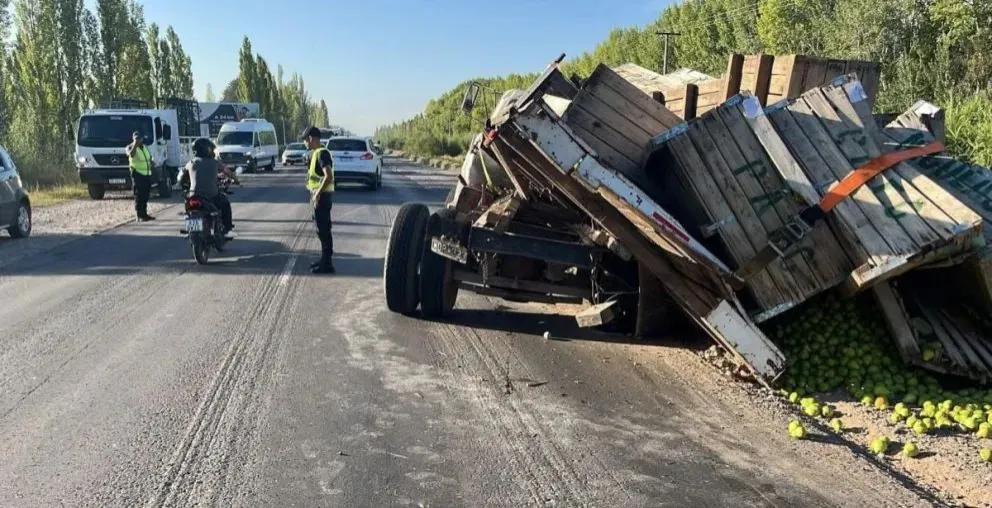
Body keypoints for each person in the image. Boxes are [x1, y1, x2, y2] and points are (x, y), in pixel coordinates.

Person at [181, 137, 239, 234]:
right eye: (211, 149)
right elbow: (228, 172)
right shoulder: (215, 162)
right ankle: (228, 230)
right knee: (225, 203)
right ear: (207, 149)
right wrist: (236, 179)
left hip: (193, 195)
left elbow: (181, 178)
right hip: (211, 195)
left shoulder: (191, 163)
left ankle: (190, 227)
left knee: (187, 205)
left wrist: (185, 186)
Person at [304, 126, 335, 274]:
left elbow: (328, 176)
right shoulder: (317, 153)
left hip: (322, 197)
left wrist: (317, 194)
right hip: (320, 196)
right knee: (321, 230)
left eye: (305, 140)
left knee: (323, 230)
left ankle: (327, 263)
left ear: (310, 138)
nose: (305, 143)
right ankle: (324, 260)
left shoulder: (322, 153)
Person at [126, 131, 155, 221]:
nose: (138, 140)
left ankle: (144, 213)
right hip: (137, 174)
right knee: (139, 195)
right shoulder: (130, 147)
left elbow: (149, 157)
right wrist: (135, 144)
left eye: (139, 138)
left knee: (146, 194)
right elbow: (131, 154)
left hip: (146, 174)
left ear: (142, 138)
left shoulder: (145, 147)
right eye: (136, 138)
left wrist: (152, 162)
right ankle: (139, 215)